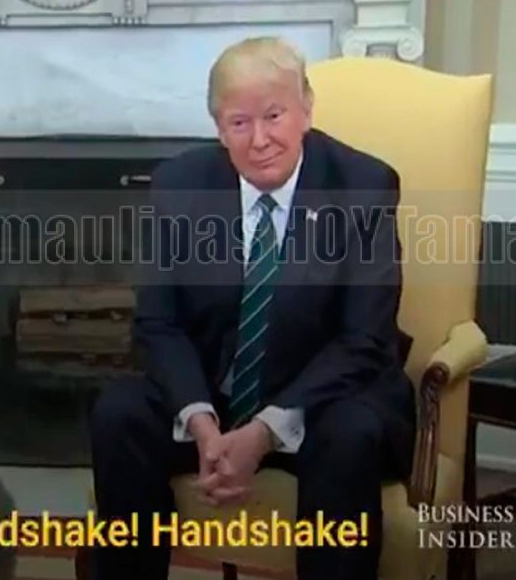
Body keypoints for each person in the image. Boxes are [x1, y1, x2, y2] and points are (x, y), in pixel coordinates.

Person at [89, 36, 416, 580]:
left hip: (323, 398)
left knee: (351, 434)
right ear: (219, 129)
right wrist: (202, 423)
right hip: (217, 395)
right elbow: (158, 323)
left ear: (306, 108)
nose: (260, 139)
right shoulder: (179, 186)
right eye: (239, 123)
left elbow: (364, 338)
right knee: (119, 413)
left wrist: (264, 430)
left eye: (275, 115)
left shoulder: (363, 187)